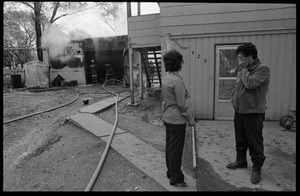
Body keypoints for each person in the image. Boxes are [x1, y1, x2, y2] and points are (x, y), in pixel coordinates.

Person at [227, 43, 270, 184]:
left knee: (254, 141)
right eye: (239, 57)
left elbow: (251, 84)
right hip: (240, 111)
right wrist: (234, 98)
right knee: (240, 138)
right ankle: (241, 160)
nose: (239, 60)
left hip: (253, 112)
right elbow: (237, 85)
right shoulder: (243, 70)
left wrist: (244, 69)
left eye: (242, 57)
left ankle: (257, 168)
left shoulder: (262, 69)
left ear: (250, 56)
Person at [161, 49, 195, 187]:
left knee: (170, 147)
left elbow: (166, 98)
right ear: (177, 64)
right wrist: (190, 118)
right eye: (181, 61)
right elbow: (181, 104)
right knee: (176, 150)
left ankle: (170, 171)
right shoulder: (177, 80)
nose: (182, 63)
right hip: (177, 120)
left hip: (167, 117)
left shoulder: (166, 78)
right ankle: (176, 178)